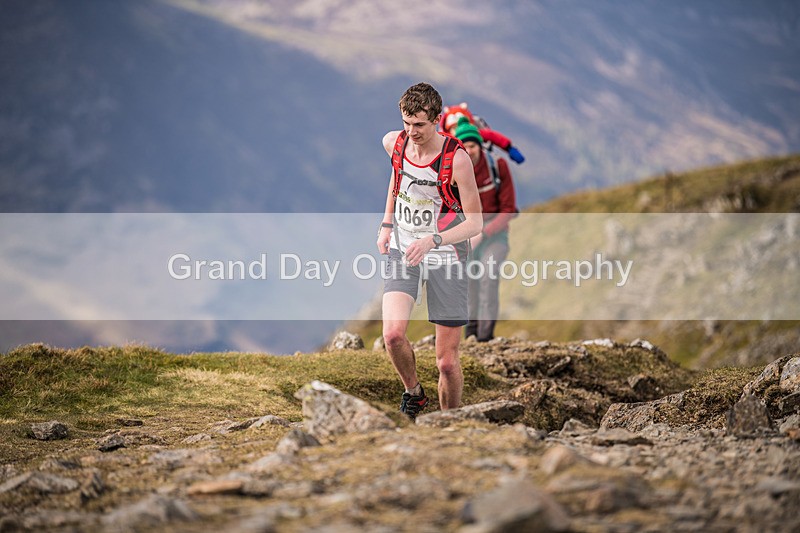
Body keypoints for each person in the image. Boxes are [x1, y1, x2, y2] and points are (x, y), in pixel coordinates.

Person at [376, 82, 482, 420]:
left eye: (419, 125)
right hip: (404, 250)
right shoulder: (395, 142)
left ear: (437, 119)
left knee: (447, 363)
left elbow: (475, 223)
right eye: (407, 123)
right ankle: (414, 393)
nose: (412, 132)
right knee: (392, 335)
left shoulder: (457, 159)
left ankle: (450, 423)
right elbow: (397, 178)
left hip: (445, 258)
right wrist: (387, 224)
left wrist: (434, 240)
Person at [453, 116, 518, 342]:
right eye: (464, 146)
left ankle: (485, 339)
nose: (469, 151)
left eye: (472, 145)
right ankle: (470, 338)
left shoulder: (497, 167)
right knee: (470, 284)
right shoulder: (455, 172)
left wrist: (484, 232)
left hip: (495, 237)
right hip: (468, 238)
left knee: (489, 279)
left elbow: (509, 209)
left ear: (480, 145)